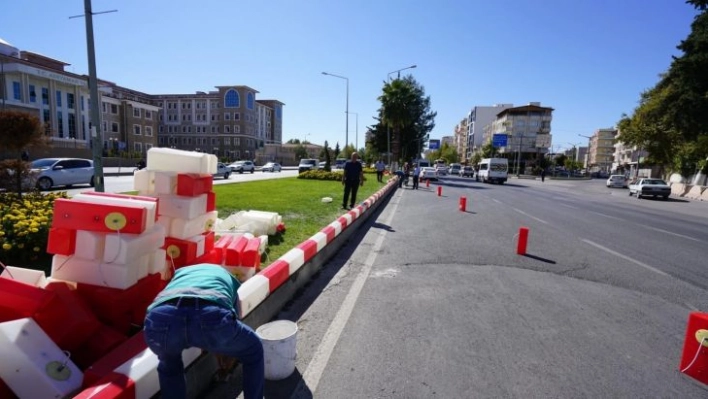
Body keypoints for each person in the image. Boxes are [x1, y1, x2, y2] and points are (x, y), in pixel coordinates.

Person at [143, 264, 264, 399]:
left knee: (170, 366)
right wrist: (225, 356)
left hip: (160, 319)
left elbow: (184, 320)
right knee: (253, 349)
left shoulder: (180, 275)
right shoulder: (227, 278)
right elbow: (233, 323)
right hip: (210, 315)